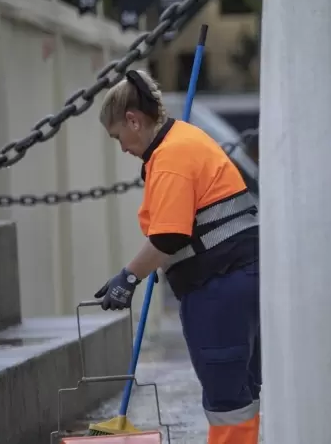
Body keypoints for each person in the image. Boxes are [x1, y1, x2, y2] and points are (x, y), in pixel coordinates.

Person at [94, 69, 261, 444]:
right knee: (240, 392)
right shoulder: (185, 139)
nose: (121, 147)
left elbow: (170, 235)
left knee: (227, 397)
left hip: (219, 288)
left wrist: (128, 277)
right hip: (242, 278)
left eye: (118, 136)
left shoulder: (170, 157)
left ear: (134, 120)